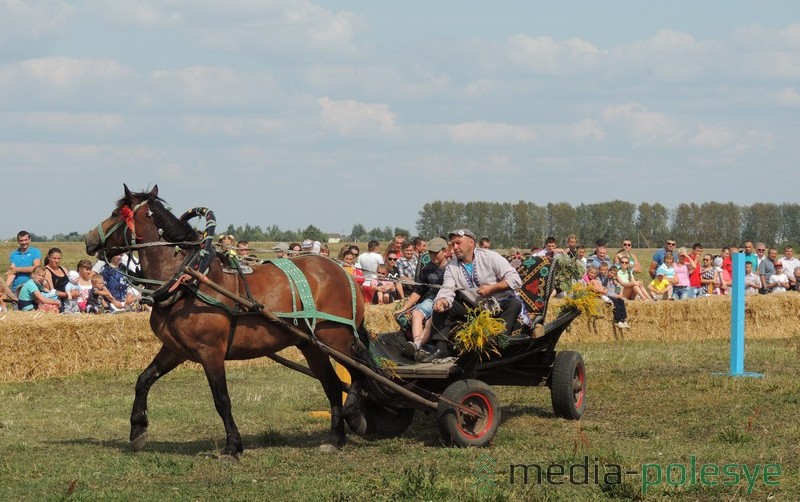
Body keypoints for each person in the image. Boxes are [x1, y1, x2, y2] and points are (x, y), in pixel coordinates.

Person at [427, 229, 522, 362]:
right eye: (453, 244)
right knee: (443, 305)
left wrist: (492, 288)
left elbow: (515, 279)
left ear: (471, 243)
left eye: (458, 243)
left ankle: (495, 342)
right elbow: (447, 289)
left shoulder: (490, 257)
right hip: (475, 309)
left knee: (514, 304)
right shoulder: (451, 267)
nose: (455, 247)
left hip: (499, 306)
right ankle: (441, 348)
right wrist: (442, 301)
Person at [397, 238, 449, 360]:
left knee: (433, 318)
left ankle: (416, 345)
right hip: (430, 299)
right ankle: (417, 347)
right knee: (416, 313)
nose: (433, 255)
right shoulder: (427, 268)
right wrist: (404, 308)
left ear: (445, 251)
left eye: (436, 252)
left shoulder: (451, 268)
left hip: (446, 300)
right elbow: (419, 290)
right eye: (431, 252)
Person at [6, 230, 42, 296]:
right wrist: (5, 287)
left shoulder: (35, 252)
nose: (24, 242)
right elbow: (12, 272)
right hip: (16, 289)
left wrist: (17, 269)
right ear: (18, 241)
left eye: (26, 240)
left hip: (32, 290)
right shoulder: (13, 254)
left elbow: (36, 268)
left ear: (30, 240)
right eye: (21, 240)